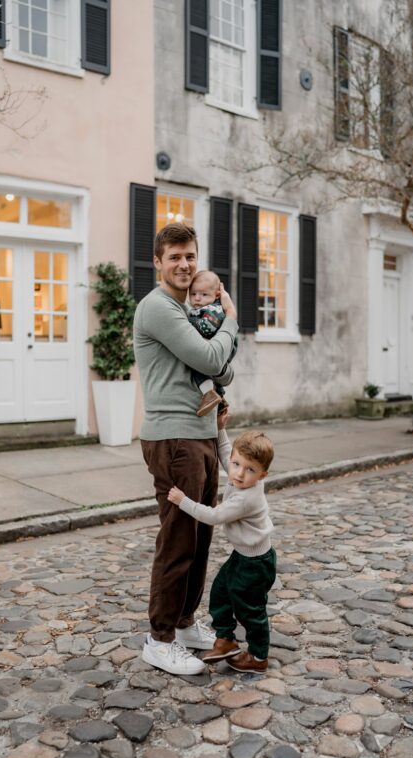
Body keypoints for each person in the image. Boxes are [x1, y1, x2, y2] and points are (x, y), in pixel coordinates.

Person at [132, 222, 238, 676]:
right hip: (174, 438)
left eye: (190, 255)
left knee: (200, 537)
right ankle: (158, 639)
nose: (184, 264)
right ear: (157, 262)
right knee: (178, 538)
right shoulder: (159, 309)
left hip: (200, 433)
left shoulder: (190, 310)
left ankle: (182, 623)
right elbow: (216, 360)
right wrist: (231, 321)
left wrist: (219, 347)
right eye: (174, 256)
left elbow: (223, 373)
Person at [167, 426, 276, 673]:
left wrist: (183, 501)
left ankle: (259, 658)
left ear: (262, 474)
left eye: (250, 469)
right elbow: (227, 450)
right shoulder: (241, 476)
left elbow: (214, 515)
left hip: (256, 563)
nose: (238, 473)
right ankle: (225, 640)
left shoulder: (245, 498)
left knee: (251, 610)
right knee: (220, 593)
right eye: (236, 464)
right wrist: (220, 427)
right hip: (243, 556)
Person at [186, 270, 238, 417]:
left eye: (204, 294)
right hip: (218, 347)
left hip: (223, 347)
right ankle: (219, 398)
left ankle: (209, 393)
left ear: (216, 295)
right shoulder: (198, 309)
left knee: (197, 363)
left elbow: (208, 328)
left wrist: (186, 325)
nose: (197, 298)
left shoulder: (214, 309)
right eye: (193, 293)